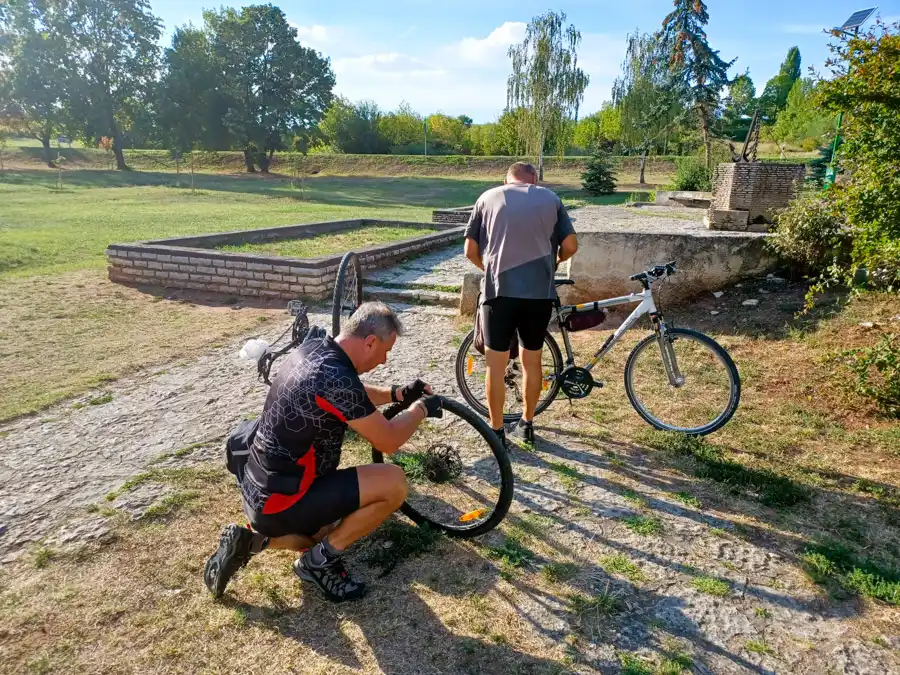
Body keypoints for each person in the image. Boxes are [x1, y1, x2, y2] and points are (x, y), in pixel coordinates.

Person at [203, 302, 443, 603]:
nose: (384, 360)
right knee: (393, 483)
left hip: (260, 491)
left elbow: (353, 392)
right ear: (370, 341)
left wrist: (397, 394)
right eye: (386, 351)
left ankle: (249, 542)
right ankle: (317, 563)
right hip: (284, 498)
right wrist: (420, 409)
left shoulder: (316, 349)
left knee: (321, 532)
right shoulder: (336, 379)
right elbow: (389, 441)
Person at [464, 161, 578, 445]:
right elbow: (572, 246)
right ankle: (527, 423)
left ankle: (497, 431)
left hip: (498, 294)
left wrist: (489, 270)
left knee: (494, 365)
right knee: (532, 361)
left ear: (507, 180)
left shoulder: (487, 198)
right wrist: (555, 262)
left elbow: (470, 250)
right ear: (534, 180)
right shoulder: (550, 198)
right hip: (538, 295)